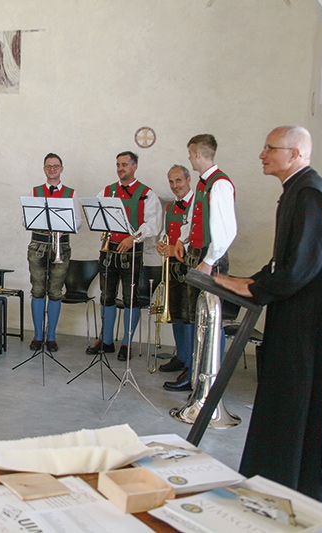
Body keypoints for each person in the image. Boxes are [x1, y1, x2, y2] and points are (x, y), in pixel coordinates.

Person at [214, 126, 322, 503]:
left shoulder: (309, 194)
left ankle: (290, 484)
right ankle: (274, 479)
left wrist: (253, 289)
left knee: (297, 401)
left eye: (270, 148)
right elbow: (282, 261)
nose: (262, 154)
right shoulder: (298, 190)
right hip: (297, 315)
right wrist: (250, 280)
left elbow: (301, 268)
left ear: (295, 154)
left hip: (307, 323)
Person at [164, 134, 237, 391]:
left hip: (210, 258)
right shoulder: (204, 184)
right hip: (197, 254)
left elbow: (227, 231)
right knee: (195, 318)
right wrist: (182, 240)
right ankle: (194, 372)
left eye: (189, 154)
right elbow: (193, 219)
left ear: (197, 154)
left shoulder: (220, 184)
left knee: (209, 319)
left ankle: (208, 378)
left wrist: (209, 260)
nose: (189, 158)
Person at [88, 151, 162, 361]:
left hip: (132, 251)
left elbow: (154, 225)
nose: (121, 168)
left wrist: (134, 237)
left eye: (125, 165)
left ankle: (127, 343)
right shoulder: (106, 191)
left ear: (134, 166)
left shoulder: (147, 194)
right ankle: (106, 341)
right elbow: (95, 214)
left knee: (131, 299)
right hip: (109, 251)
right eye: (118, 165)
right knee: (107, 295)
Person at [26, 153, 81, 352]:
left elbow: (78, 222)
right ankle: (37, 336)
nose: (52, 169)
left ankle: (51, 337)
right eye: (48, 166)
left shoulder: (71, 193)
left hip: (61, 246)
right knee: (38, 290)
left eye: (56, 166)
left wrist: (64, 226)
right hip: (39, 245)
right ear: (44, 169)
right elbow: (26, 219)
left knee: (56, 292)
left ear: (61, 169)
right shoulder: (35, 191)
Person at [155, 166, 195, 384]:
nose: (175, 185)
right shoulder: (171, 206)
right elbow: (166, 232)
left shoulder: (197, 205)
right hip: (172, 267)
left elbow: (198, 237)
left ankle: (190, 364)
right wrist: (162, 244)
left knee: (188, 316)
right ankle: (180, 356)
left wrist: (178, 249)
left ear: (188, 179)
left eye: (178, 180)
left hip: (189, 267)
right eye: (171, 181)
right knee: (176, 314)